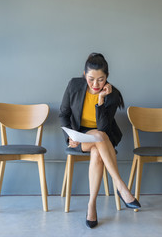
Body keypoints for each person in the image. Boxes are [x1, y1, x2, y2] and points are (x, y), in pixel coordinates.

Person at [59, 53, 141, 228]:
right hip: (79, 138)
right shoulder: (74, 85)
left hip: (103, 139)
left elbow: (103, 129)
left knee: (98, 146)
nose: (96, 84)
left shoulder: (112, 94)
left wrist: (101, 100)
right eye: (91, 79)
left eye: (100, 79)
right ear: (84, 75)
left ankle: (91, 205)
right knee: (98, 140)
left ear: (107, 77)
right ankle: (121, 187)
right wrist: (69, 138)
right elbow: (64, 114)